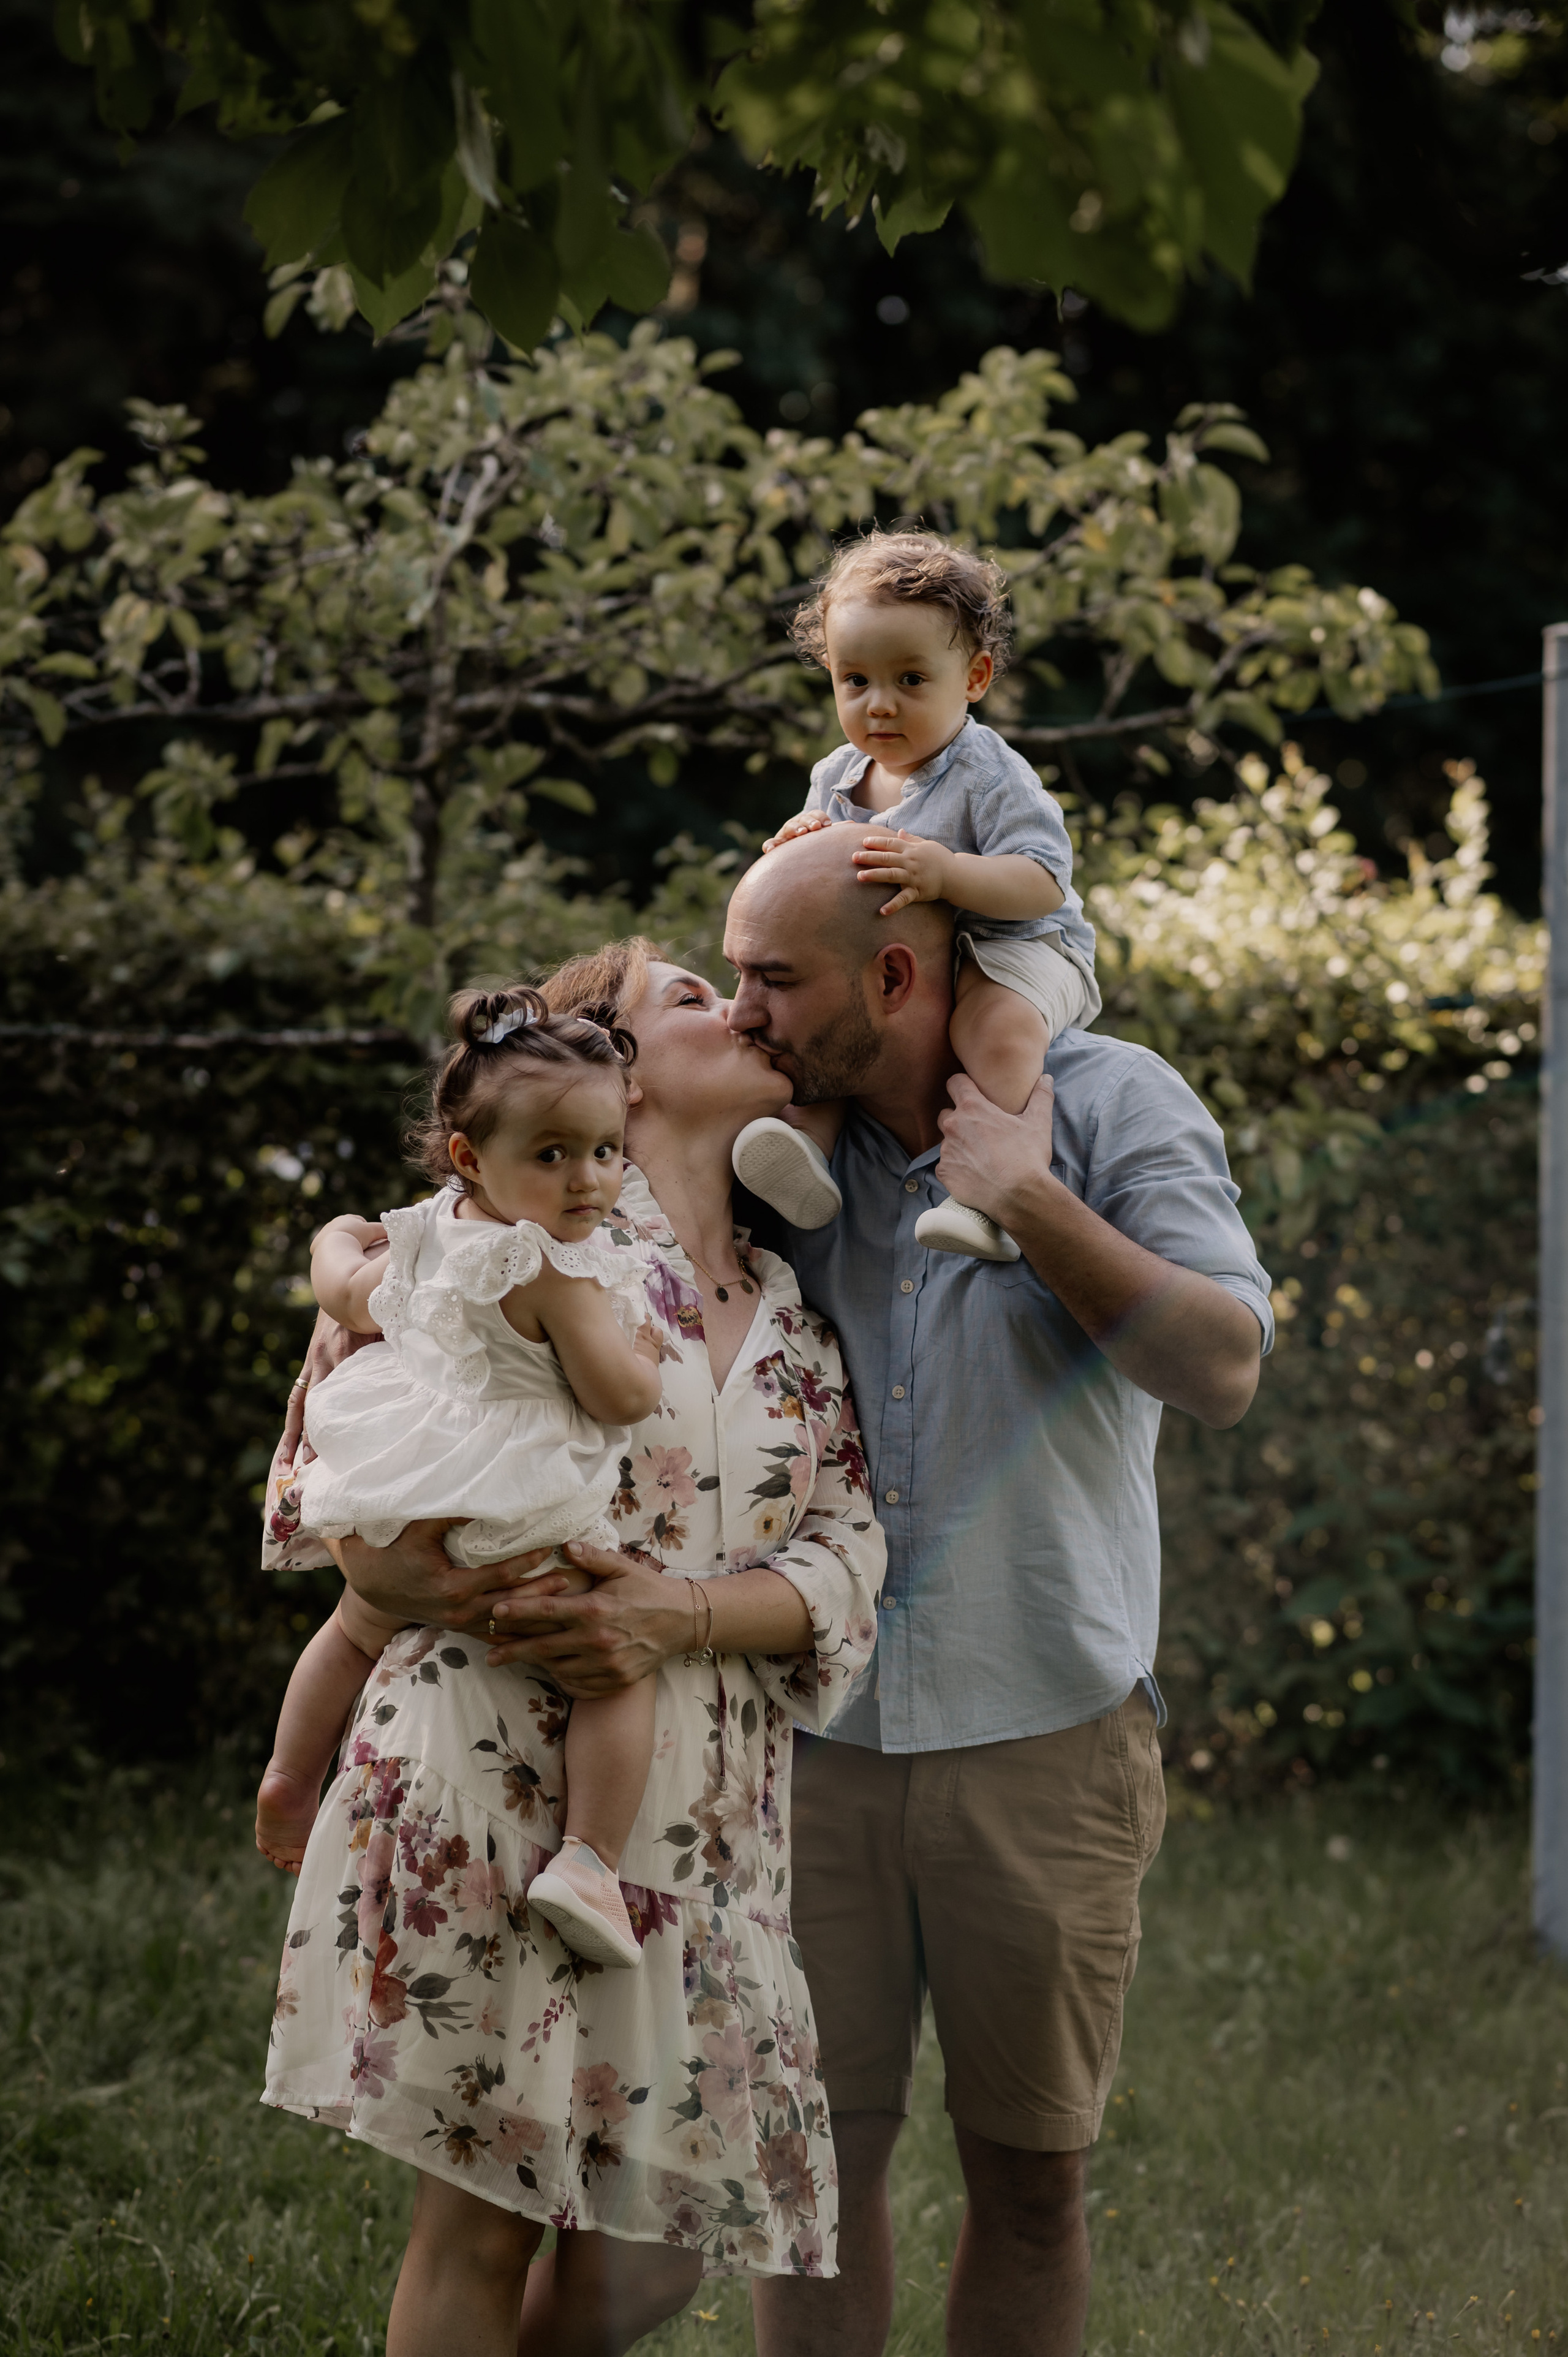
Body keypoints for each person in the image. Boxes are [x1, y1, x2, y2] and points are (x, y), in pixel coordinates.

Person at [260, 937, 884, 2357]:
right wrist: (513, 1605)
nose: (732, 1007)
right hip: (495, 1763)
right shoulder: (492, 1258)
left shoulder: (793, 1316)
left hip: (708, 1822)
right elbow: (342, 1506)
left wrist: (679, 1614)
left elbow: (850, 1551)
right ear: (605, 1070)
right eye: (685, 995)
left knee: (660, 2243)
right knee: (481, 2211)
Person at [720, 825, 1273, 2357]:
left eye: (771, 974)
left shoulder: (1110, 1102)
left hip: (1043, 1738)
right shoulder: (761, 1136)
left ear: (892, 973)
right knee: (808, 2179)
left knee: (1027, 2184)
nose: (739, 1006)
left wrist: (1024, 1196)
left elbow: (1221, 1367)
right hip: (809, 1744)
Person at [255, 986, 666, 1975]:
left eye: (606, 1151)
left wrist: (334, 1235)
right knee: (615, 1669)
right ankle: (590, 1858)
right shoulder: (557, 1270)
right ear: (470, 1157)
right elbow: (618, 1399)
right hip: (509, 1501)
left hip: (401, 1479)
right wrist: (641, 1349)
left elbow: (344, 1286)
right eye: (554, 1154)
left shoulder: (432, 1229)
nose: (588, 1180)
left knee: (355, 1624)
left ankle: (286, 1773)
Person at [730, 530, 1100, 1263]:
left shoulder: (988, 772)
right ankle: (807, 1151)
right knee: (833, 1029)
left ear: (975, 677)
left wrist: (948, 873)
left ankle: (984, 1191)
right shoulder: (838, 774)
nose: (880, 706)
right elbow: (819, 891)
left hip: (1018, 947)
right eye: (855, 681)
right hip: (905, 968)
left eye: (910, 681)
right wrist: (801, 838)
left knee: (990, 1032)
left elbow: (1041, 880)